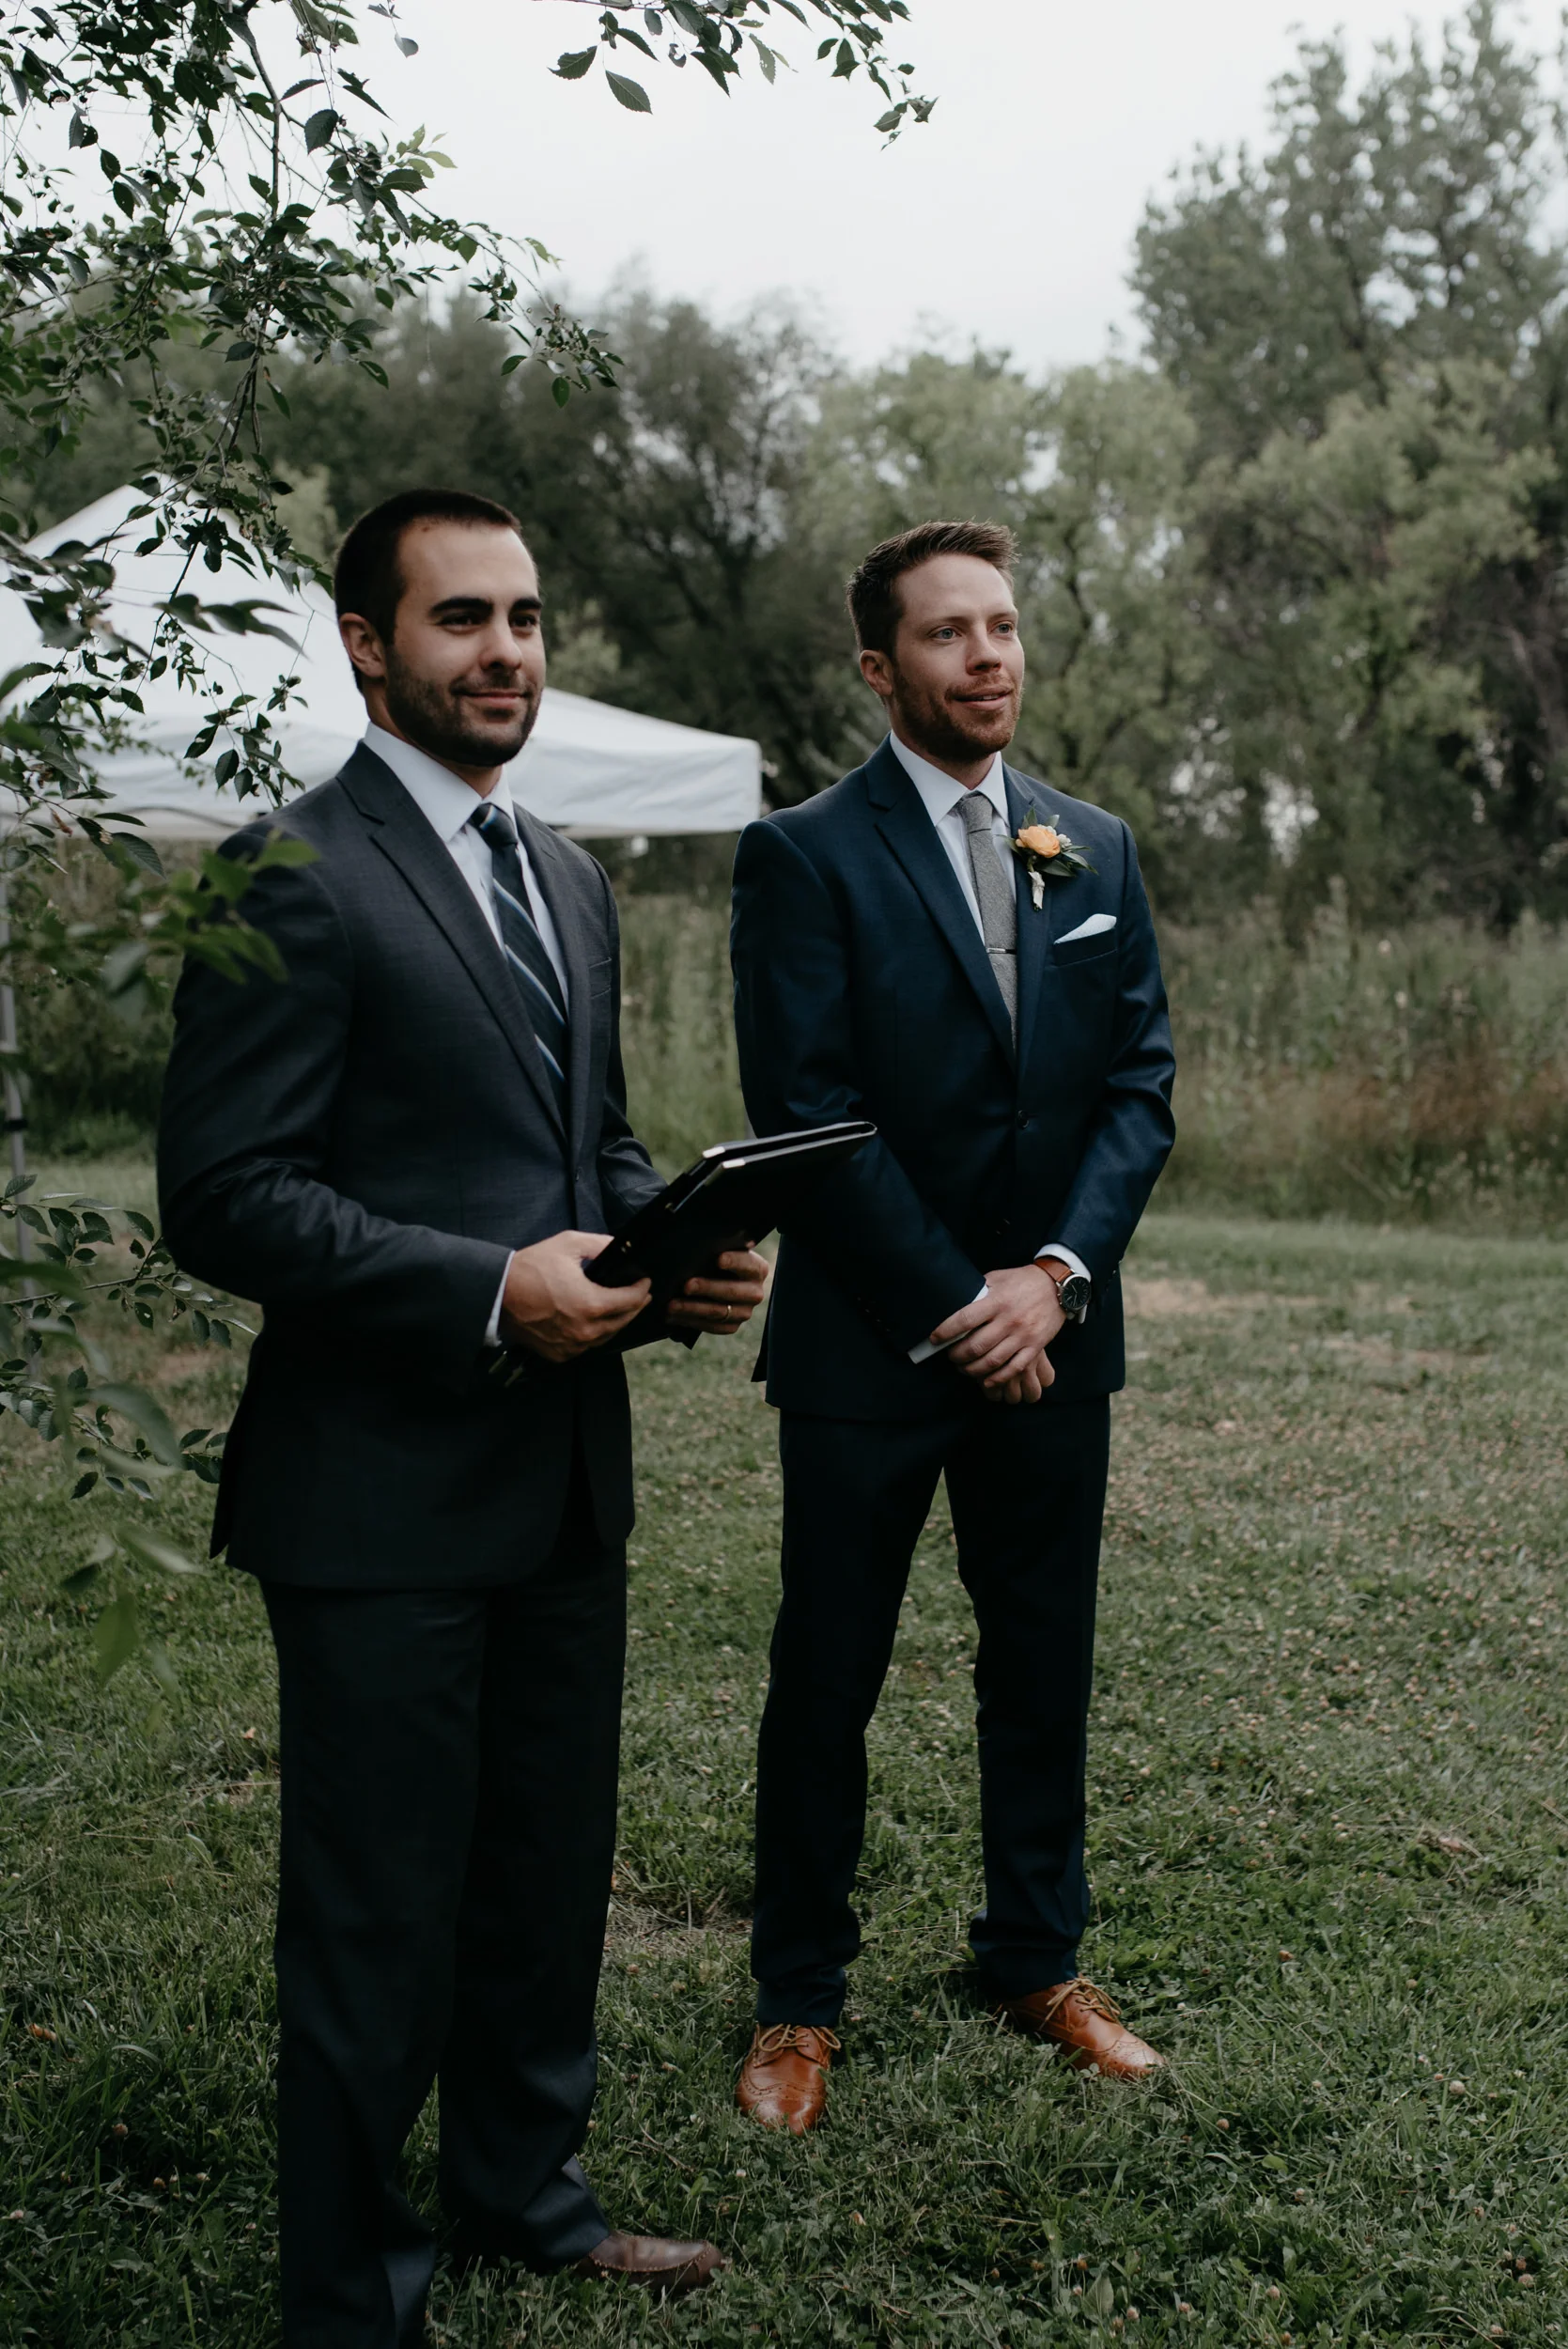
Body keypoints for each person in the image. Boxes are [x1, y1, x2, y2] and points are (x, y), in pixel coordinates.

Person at [158, 488, 768, 2343]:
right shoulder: (285, 870)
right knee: (376, 1919)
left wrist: (674, 1249)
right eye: (461, 618)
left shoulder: (567, 875)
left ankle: (528, 2193)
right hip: (374, 1498)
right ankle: (354, 2296)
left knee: (541, 1881)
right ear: (368, 643)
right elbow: (226, 1194)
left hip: (564, 1484)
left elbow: (588, 1148)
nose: (506, 650)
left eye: (525, 616)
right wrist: (489, 1289)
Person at [727, 519, 1177, 2134]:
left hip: (1055, 1337)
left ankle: (1034, 1960)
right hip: (870, 1339)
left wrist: (1050, 1278)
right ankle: (797, 2000)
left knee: (1043, 1660)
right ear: (878, 667)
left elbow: (1139, 1087)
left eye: (1002, 626)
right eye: (945, 633)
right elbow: (809, 1113)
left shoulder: (1093, 847)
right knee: (827, 1673)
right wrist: (953, 1302)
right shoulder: (803, 854)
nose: (986, 656)